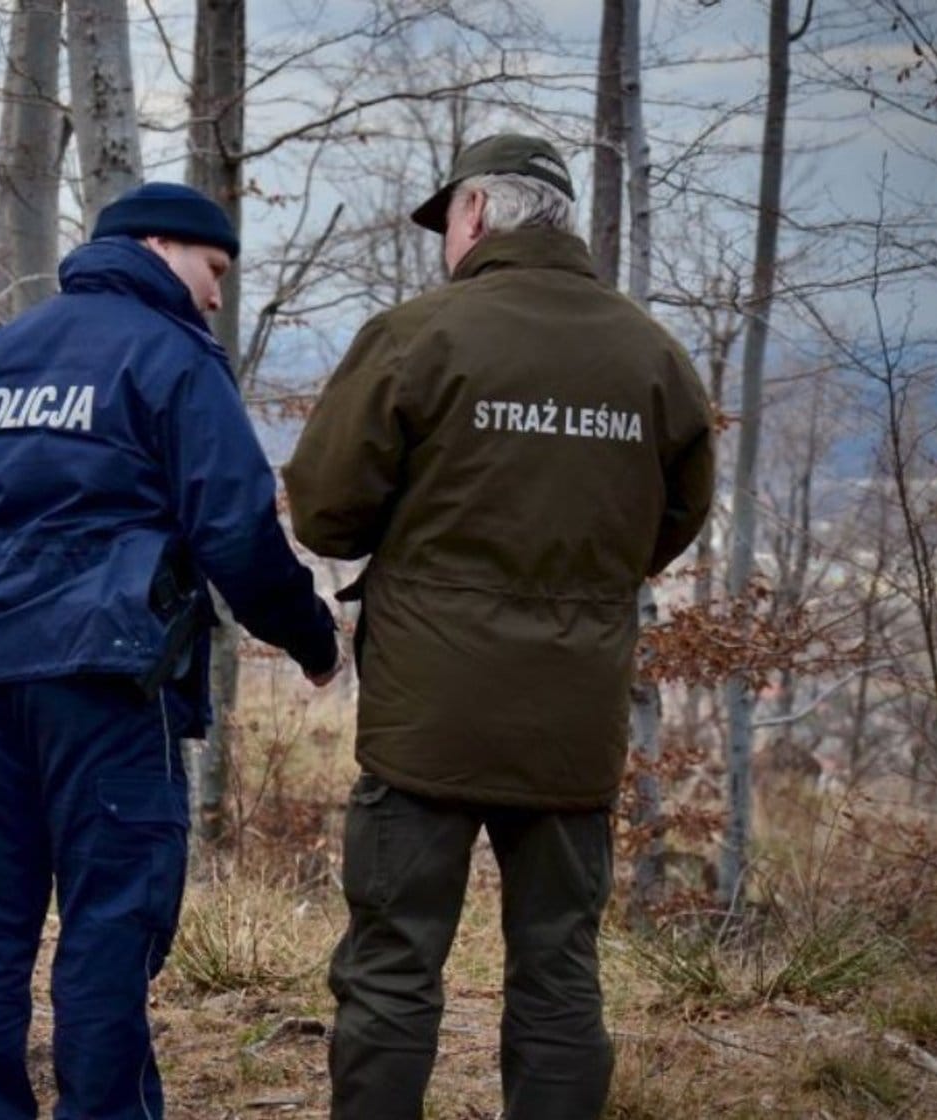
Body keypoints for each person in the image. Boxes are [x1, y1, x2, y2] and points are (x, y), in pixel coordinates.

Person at [283, 133, 715, 1120]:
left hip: (428, 714)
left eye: (450, 224)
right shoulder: (651, 355)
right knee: (559, 967)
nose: (447, 243)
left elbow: (325, 509)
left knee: (394, 962)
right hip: (571, 715)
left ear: (476, 214)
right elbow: (676, 517)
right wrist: (581, 579)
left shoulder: (417, 335)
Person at [0, 181, 342, 1119]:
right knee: (111, 921)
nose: (218, 296)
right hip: (105, 679)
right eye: (213, 270)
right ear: (157, 246)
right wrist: (311, 638)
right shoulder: (171, 355)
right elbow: (236, 531)